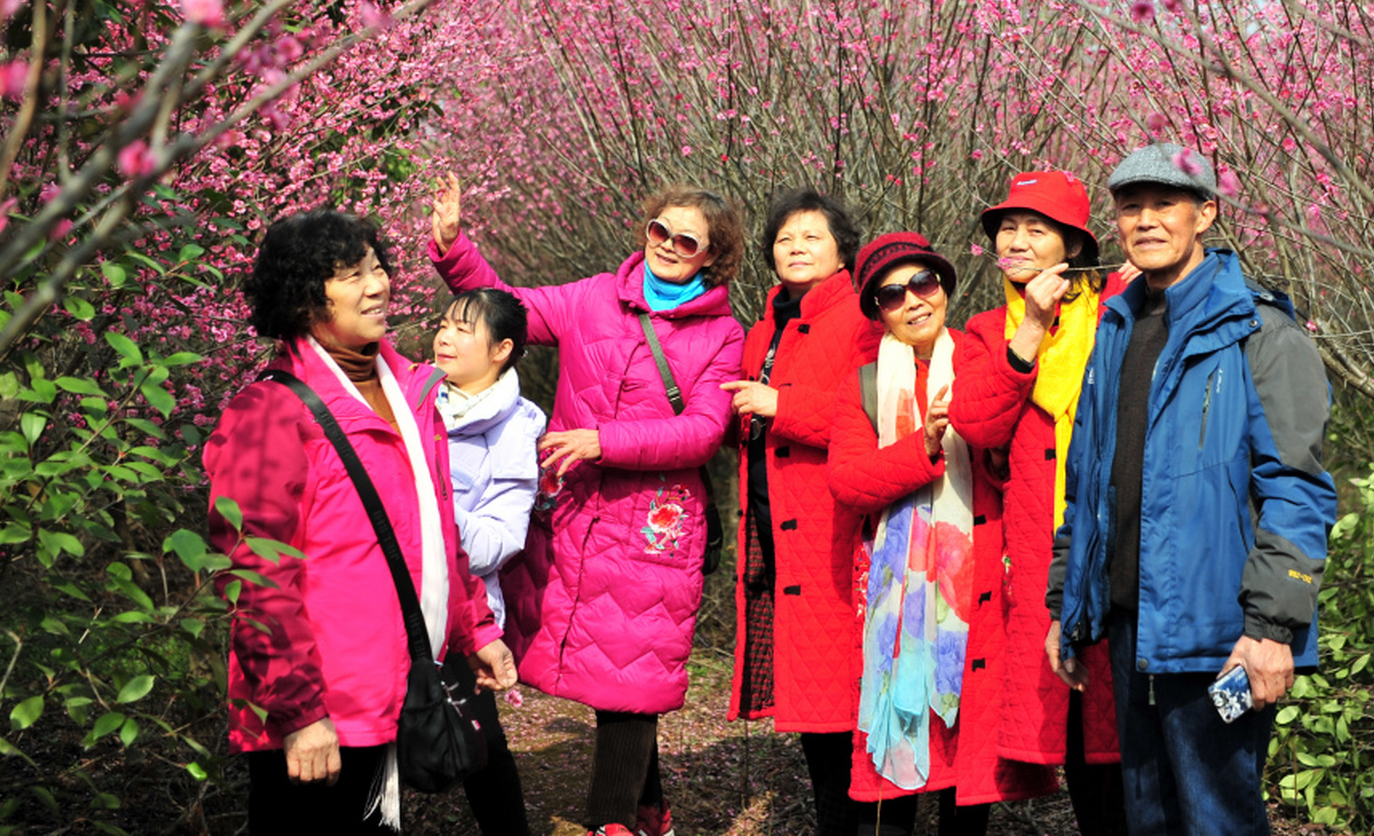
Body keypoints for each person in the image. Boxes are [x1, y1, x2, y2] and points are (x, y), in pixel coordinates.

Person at [428, 174, 746, 836]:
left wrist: (604, 440)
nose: (667, 245)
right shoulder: (594, 298)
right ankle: (647, 802)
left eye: (685, 241)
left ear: (710, 256)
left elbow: (704, 431)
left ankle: (614, 822)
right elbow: (507, 311)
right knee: (617, 665)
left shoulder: (722, 335)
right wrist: (457, 250)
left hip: (655, 521)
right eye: (659, 230)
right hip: (573, 510)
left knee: (633, 669)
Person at [1049, 144, 1337, 836]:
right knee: (1145, 817)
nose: (1145, 221)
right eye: (1130, 207)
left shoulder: (1259, 330)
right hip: (1127, 628)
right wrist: (1065, 600)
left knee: (1218, 818)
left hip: (1219, 636)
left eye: (1164, 205)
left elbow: (1295, 489)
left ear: (1204, 213)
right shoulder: (1114, 329)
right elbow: (1086, 483)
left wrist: (1270, 629)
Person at [204, 209, 516, 836]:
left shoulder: (413, 394)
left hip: (392, 688)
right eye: (352, 275)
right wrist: (296, 714)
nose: (378, 286)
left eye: (377, 268)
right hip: (323, 708)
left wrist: (474, 629)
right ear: (302, 298)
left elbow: (436, 533)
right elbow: (255, 578)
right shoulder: (269, 414)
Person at [828, 232, 1062, 836]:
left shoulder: (986, 359)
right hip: (898, 603)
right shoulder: (862, 383)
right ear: (877, 311)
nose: (912, 301)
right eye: (890, 294)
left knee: (967, 773)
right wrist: (924, 445)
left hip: (979, 590)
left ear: (945, 289)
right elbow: (850, 482)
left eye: (923, 283)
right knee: (893, 774)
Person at [953, 171, 1129, 836]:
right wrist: (1029, 326)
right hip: (1033, 554)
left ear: (1073, 245)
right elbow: (975, 423)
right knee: (1078, 721)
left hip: (1114, 542)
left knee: (1120, 730)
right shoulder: (986, 328)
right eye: (1007, 227)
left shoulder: (1119, 312)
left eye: (1036, 228)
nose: (1016, 240)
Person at [718, 189, 881, 836]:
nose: (795, 247)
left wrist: (779, 406)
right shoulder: (763, 326)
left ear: (842, 250)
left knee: (843, 708)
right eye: (785, 238)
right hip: (772, 534)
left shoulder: (864, 319)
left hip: (834, 535)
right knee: (815, 710)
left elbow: (870, 416)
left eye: (812, 237)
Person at [433, 287, 547, 836]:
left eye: (463, 328)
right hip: (395, 601)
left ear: (501, 349)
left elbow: (502, 540)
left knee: (481, 745)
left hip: (463, 607)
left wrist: (428, 515)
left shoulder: (516, 426)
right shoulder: (413, 399)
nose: (444, 336)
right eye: (444, 323)